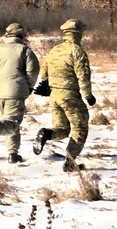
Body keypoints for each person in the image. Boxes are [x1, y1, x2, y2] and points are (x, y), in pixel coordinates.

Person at [31, 18, 96, 172]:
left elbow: (43, 73)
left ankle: (46, 134)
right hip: (70, 95)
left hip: (54, 96)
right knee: (80, 128)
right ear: (79, 33)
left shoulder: (55, 50)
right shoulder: (77, 51)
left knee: (62, 129)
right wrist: (88, 96)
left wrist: (49, 85)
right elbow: (83, 76)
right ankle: (70, 163)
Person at [0, 22, 40, 163]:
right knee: (13, 122)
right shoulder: (25, 50)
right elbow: (33, 71)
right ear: (22, 35)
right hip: (16, 92)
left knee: (9, 122)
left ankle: (13, 153)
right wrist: (29, 86)